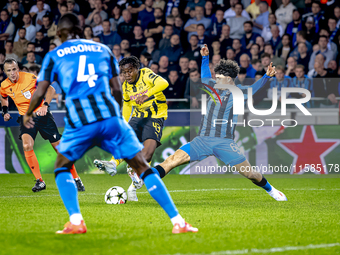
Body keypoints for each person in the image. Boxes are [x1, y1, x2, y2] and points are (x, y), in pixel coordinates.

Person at [23, 13, 197, 235]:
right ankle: (178, 221)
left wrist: (29, 113)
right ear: (83, 27)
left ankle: (76, 221)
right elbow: (117, 90)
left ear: (59, 33)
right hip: (109, 118)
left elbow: (40, 90)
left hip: (81, 120)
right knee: (142, 166)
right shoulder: (102, 50)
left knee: (61, 167)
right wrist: (116, 120)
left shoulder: (54, 55)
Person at [154, 44, 287, 202]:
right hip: (202, 140)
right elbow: (204, 76)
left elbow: (254, 88)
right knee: (171, 160)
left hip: (224, 143)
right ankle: (142, 179)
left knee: (251, 174)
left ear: (229, 79)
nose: (215, 79)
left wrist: (267, 77)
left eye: (218, 77)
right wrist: (205, 58)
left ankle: (271, 190)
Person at [1, 58, 85, 192]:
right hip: (26, 117)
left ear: (18, 69)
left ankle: (76, 178)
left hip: (42, 115)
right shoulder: (4, 85)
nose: (12, 73)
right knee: (27, 145)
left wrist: (45, 105)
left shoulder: (30, 78)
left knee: (59, 149)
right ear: (5, 72)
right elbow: (3, 96)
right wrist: (5, 111)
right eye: (9, 70)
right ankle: (40, 181)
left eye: (14, 69)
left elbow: (50, 89)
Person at [93, 55, 169, 202]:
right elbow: (127, 105)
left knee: (146, 155)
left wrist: (147, 94)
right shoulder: (126, 86)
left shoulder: (146, 74)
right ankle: (113, 164)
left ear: (137, 68)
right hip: (138, 117)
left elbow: (163, 83)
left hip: (155, 116)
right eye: (124, 72)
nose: (127, 75)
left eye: (130, 71)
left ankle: (134, 179)